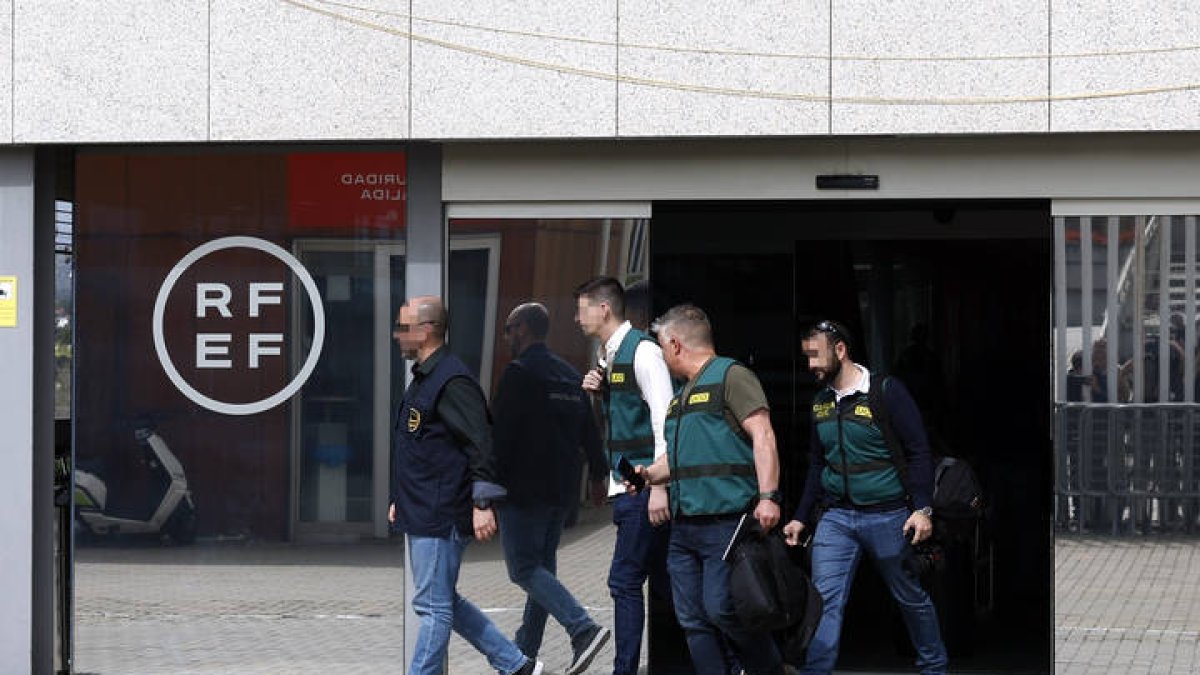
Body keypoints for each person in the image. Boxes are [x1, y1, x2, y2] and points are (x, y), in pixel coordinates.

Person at [782, 320, 948, 675]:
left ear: (840, 350)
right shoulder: (821, 403)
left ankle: (935, 668)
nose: (810, 365)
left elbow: (919, 452)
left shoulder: (886, 391)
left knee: (909, 597)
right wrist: (799, 515)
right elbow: (816, 463)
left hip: (889, 515)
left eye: (815, 355)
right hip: (837, 518)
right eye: (806, 357)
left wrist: (922, 509)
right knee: (823, 601)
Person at [388, 295, 543, 675]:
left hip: (439, 512)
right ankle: (516, 665)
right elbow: (421, 446)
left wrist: (482, 503)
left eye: (403, 327)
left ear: (426, 331)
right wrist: (399, 499)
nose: (396, 335)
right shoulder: (426, 378)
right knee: (444, 602)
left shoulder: (452, 381)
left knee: (433, 607)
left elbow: (480, 442)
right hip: (421, 507)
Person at [636, 304, 787, 675]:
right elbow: (677, 460)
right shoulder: (680, 397)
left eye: (660, 345)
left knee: (722, 608)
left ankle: (771, 669)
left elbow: (763, 435)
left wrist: (768, 497)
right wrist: (648, 475)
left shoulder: (731, 376)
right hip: (685, 526)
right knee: (691, 618)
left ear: (674, 344)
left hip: (726, 522)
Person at [492, 302, 612, 674]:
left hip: (522, 492)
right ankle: (523, 655)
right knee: (542, 572)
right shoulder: (567, 374)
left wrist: (483, 490)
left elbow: (498, 438)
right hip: (559, 494)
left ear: (524, 329)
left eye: (509, 329)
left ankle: (582, 629)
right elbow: (589, 430)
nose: (507, 336)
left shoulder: (518, 373)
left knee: (524, 570)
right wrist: (597, 475)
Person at [575, 276, 674, 675]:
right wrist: (601, 394)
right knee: (669, 584)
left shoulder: (643, 351)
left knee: (624, 581)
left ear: (603, 309)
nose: (576, 317)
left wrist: (660, 488)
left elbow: (663, 421)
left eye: (581, 309)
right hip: (626, 488)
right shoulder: (608, 354)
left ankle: (625, 669)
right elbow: (622, 418)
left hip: (644, 488)